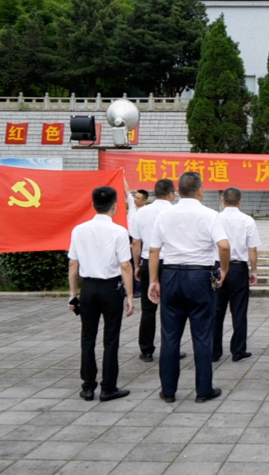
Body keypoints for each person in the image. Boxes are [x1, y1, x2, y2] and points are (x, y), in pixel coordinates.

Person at [148, 172, 230, 403]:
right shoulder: (210, 215)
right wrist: (224, 270)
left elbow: (154, 250)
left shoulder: (164, 215)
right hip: (199, 276)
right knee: (202, 336)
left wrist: (154, 280)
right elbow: (223, 246)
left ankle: (168, 391)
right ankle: (203, 390)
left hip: (171, 275)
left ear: (179, 191)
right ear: (200, 191)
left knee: (170, 336)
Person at [67, 185, 133, 402]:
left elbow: (73, 264)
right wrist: (130, 296)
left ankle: (87, 386)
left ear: (93, 205)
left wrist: (73, 294)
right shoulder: (120, 231)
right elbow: (125, 266)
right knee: (111, 339)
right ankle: (108, 387)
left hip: (88, 289)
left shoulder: (79, 229)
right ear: (115, 206)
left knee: (87, 337)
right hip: (110, 289)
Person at [132, 179, 186, 363]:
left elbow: (136, 242)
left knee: (148, 308)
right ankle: (171, 348)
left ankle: (146, 350)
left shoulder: (142, 212)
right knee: (171, 308)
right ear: (171, 194)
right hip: (171, 264)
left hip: (149, 261)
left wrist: (138, 265)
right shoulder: (176, 212)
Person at [213, 187, 260, 363]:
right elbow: (252, 248)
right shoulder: (247, 220)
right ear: (240, 202)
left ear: (222, 201)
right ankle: (238, 350)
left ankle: (214, 351)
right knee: (239, 311)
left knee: (216, 310)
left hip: (217, 267)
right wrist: (253, 269)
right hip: (238, 268)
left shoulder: (214, 219)